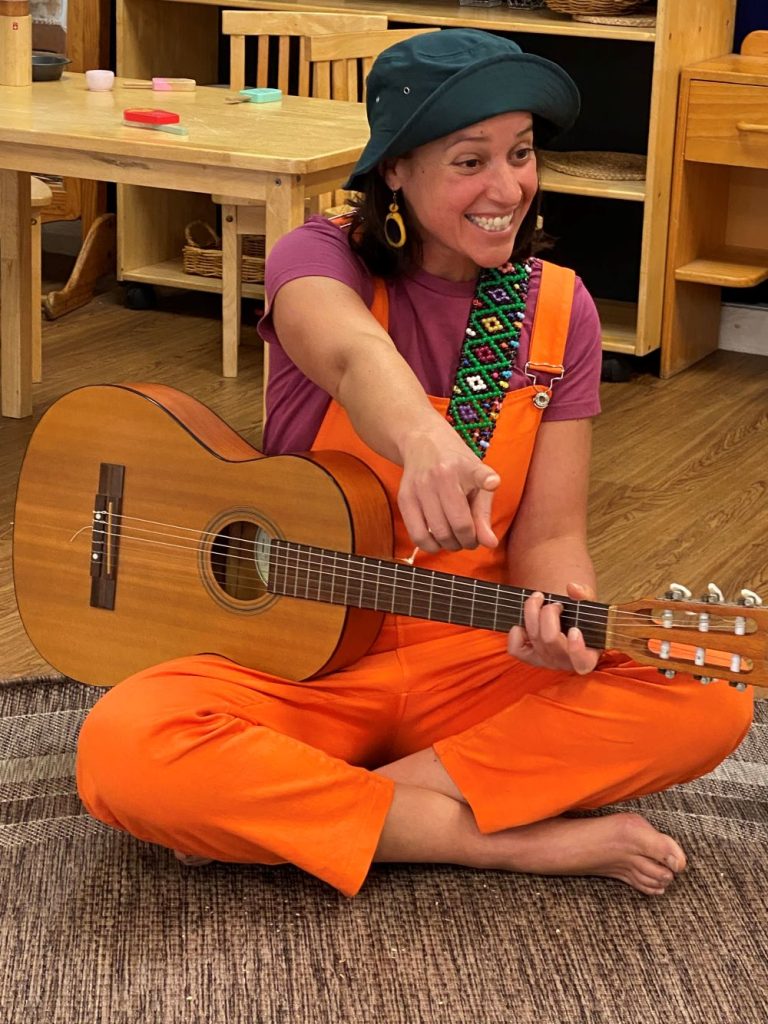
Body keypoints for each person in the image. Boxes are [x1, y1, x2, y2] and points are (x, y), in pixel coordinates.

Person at [76, 29, 752, 898]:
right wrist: (426, 440)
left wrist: (564, 630)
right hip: (295, 660)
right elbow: (355, 356)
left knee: (709, 698)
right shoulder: (319, 260)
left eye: (521, 153)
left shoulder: (561, 308)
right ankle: (500, 839)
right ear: (394, 170)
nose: (506, 188)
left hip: (472, 659)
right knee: (123, 745)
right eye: (470, 161)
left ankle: (292, 815)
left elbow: (552, 539)